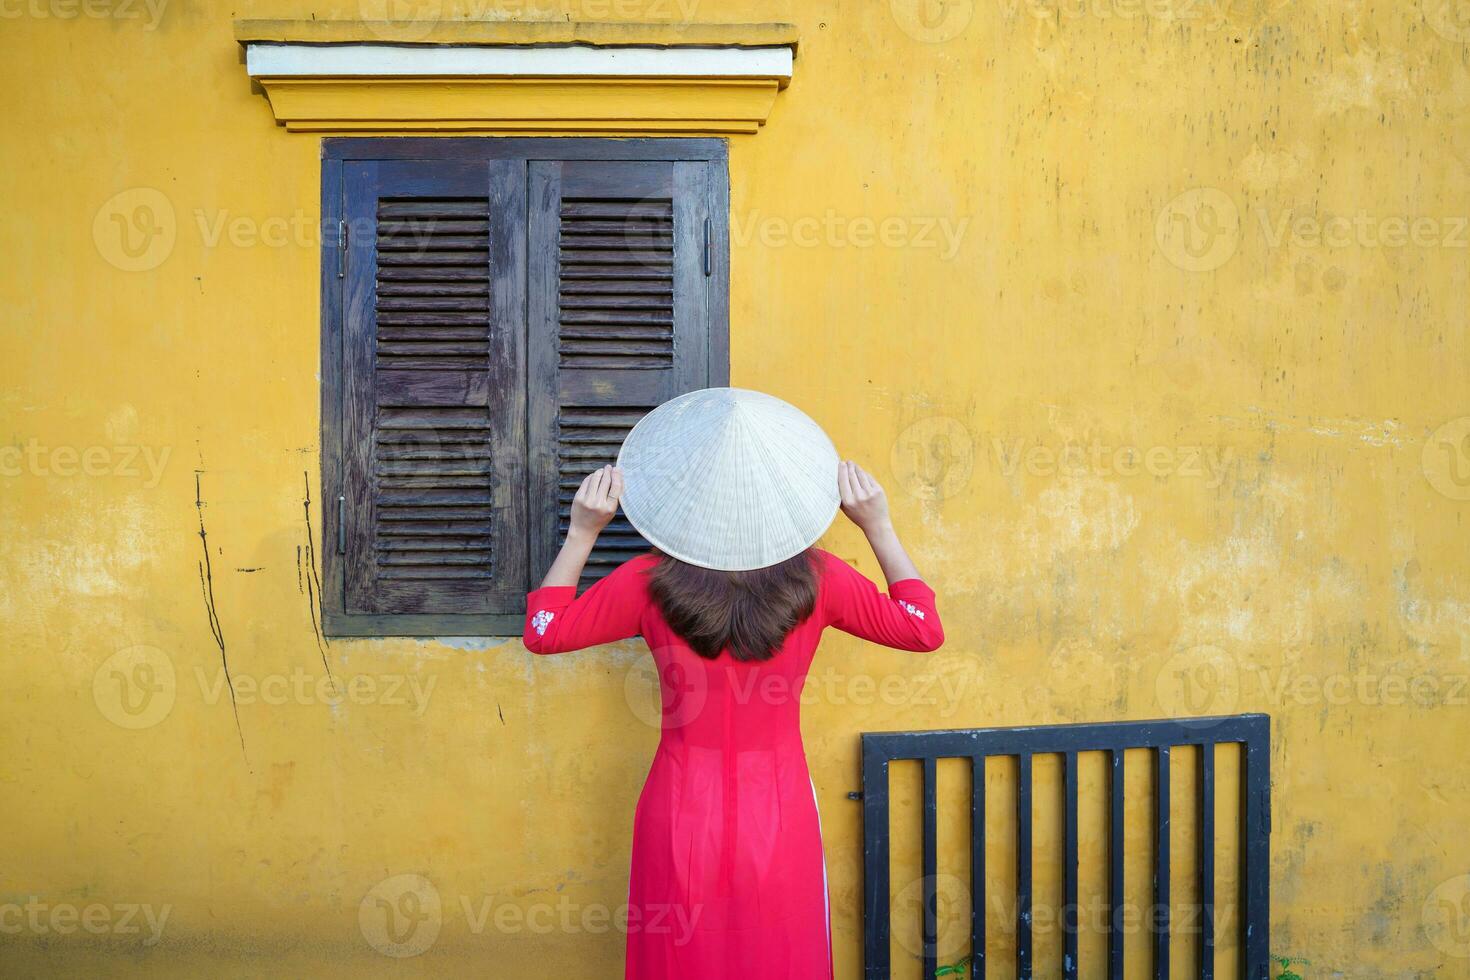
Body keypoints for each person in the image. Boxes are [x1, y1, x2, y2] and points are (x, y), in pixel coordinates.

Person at [523, 388, 944, 980]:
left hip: (676, 807)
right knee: (780, 954)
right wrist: (878, 525)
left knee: (681, 957)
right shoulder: (822, 579)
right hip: (781, 805)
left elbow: (544, 631)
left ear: (685, 495)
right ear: (784, 492)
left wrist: (583, 531)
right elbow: (923, 630)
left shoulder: (646, 581)